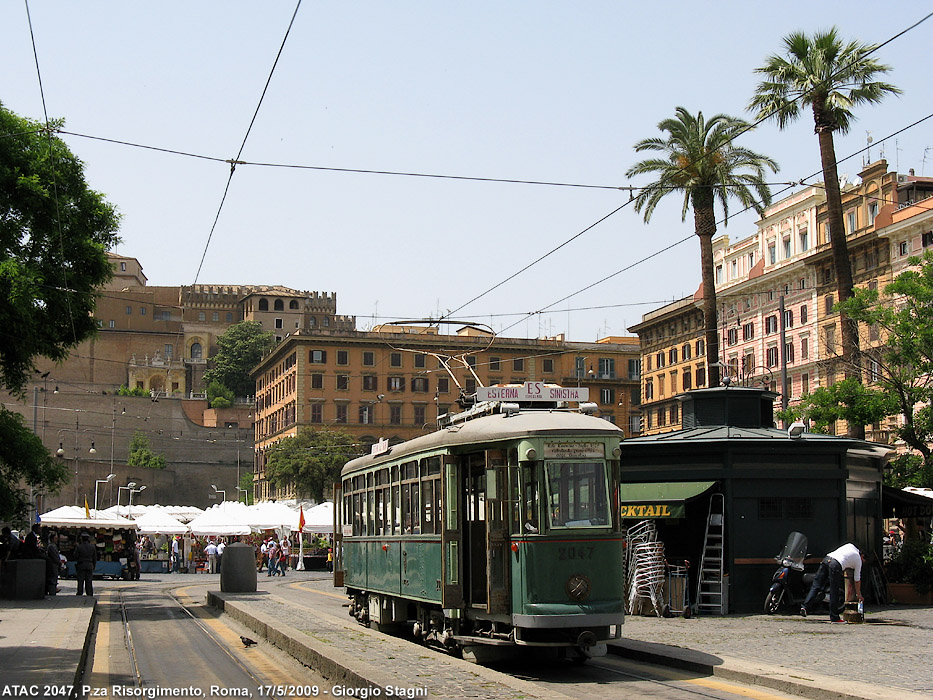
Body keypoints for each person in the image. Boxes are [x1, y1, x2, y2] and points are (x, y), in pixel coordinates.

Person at [801, 542, 865, 622]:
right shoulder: (858, 559)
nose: (862, 562)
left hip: (827, 559)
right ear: (862, 556)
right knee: (834, 591)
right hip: (835, 565)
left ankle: (805, 607)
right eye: (863, 560)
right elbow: (857, 579)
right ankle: (834, 617)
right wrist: (858, 594)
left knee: (816, 585)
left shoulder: (850, 545)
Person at [75, 532, 97, 596]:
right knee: (89, 580)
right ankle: (89, 593)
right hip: (89, 565)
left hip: (81, 565)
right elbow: (95, 558)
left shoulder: (79, 547)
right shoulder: (92, 547)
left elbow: (75, 556)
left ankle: (80, 592)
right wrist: (93, 565)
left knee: (80, 580)